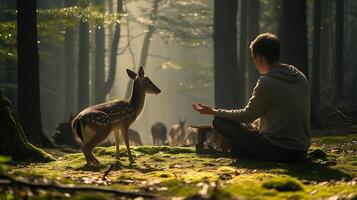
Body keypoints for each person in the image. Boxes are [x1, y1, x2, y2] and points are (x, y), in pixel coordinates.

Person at [192, 33, 311, 163]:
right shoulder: (299, 77)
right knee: (248, 127)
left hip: (277, 150)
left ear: (259, 57)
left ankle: (240, 152)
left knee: (220, 122)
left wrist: (214, 111)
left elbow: (247, 115)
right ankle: (240, 150)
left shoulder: (267, 82)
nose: (253, 62)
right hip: (301, 151)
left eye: (253, 58)